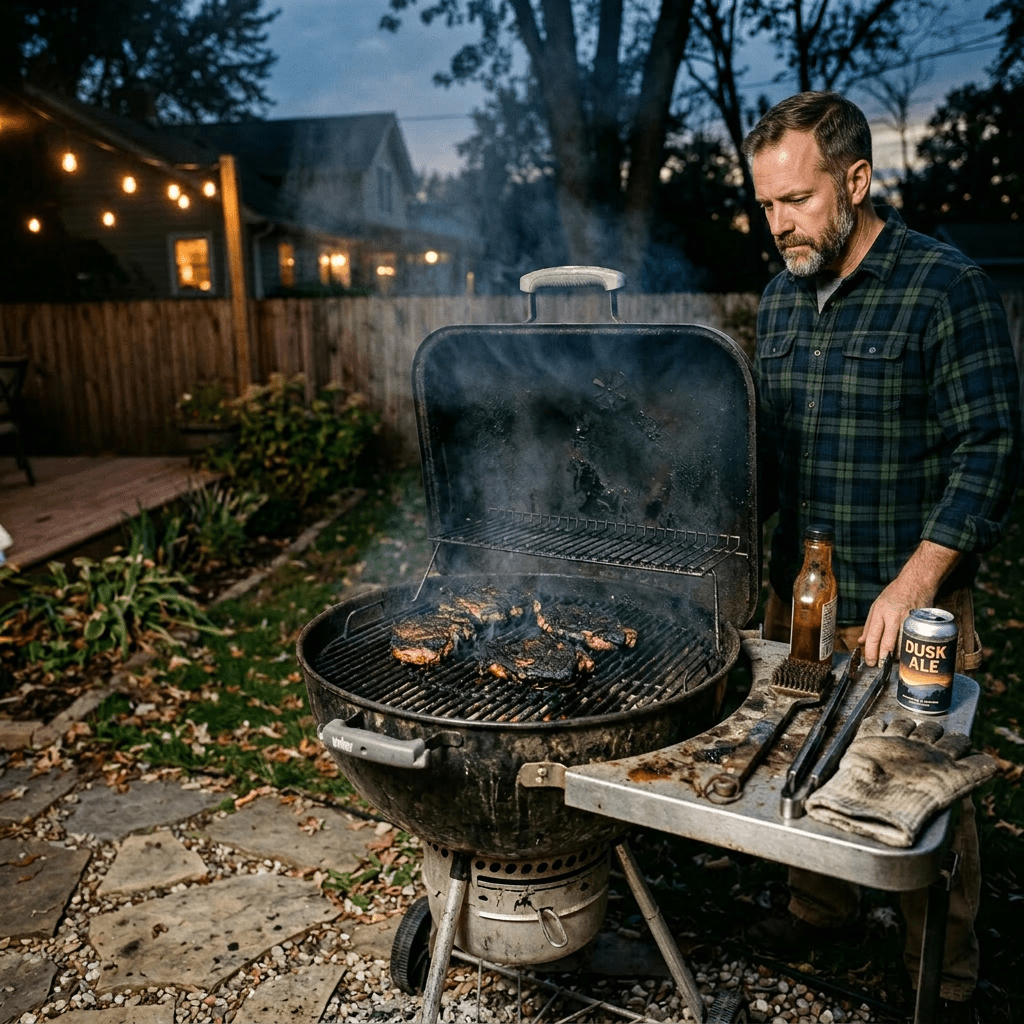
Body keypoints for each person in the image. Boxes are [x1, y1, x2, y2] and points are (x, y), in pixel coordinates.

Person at [741, 91, 1021, 1024]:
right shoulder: (778, 302)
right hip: (806, 594)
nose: (779, 224)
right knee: (796, 746)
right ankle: (819, 906)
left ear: (857, 181)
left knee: (917, 779)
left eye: (799, 200)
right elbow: (768, 457)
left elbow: (991, 448)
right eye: (768, 203)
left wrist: (916, 579)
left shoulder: (945, 289)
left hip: (908, 594)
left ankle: (940, 969)